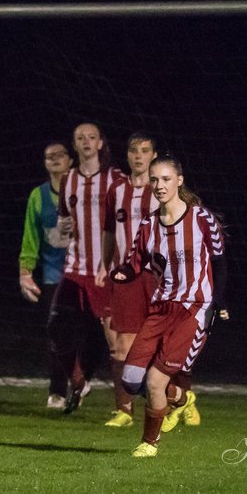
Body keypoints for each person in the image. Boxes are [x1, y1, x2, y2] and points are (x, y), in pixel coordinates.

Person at [111, 155, 227, 458]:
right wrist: (123, 273)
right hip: (160, 308)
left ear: (179, 180)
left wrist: (220, 302)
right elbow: (136, 262)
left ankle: (149, 443)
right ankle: (181, 398)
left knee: (155, 380)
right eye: (154, 180)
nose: (159, 185)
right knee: (131, 381)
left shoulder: (202, 219)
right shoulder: (149, 224)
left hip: (193, 308)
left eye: (165, 179)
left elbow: (219, 262)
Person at [50, 122, 124, 414]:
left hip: (106, 270)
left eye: (91, 137)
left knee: (112, 340)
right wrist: (63, 228)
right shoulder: (68, 180)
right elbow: (62, 225)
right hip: (75, 267)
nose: (86, 141)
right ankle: (79, 382)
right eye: (80, 137)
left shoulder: (116, 180)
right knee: (56, 327)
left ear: (101, 143)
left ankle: (125, 407)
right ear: (75, 144)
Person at [97, 132, 159, 427]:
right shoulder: (116, 191)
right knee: (122, 345)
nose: (139, 156)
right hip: (125, 277)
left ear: (153, 157)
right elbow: (109, 232)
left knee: (164, 343)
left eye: (145, 151)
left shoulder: (163, 191)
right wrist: (103, 265)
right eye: (134, 150)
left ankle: (179, 399)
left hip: (157, 277)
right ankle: (124, 410)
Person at [18, 141, 74, 409]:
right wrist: (25, 272)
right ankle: (57, 392)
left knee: (88, 335)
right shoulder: (38, 196)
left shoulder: (83, 193)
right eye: (48, 155)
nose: (54, 158)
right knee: (56, 335)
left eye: (60, 154)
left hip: (86, 275)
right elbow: (31, 237)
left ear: (70, 161)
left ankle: (81, 380)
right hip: (54, 278)